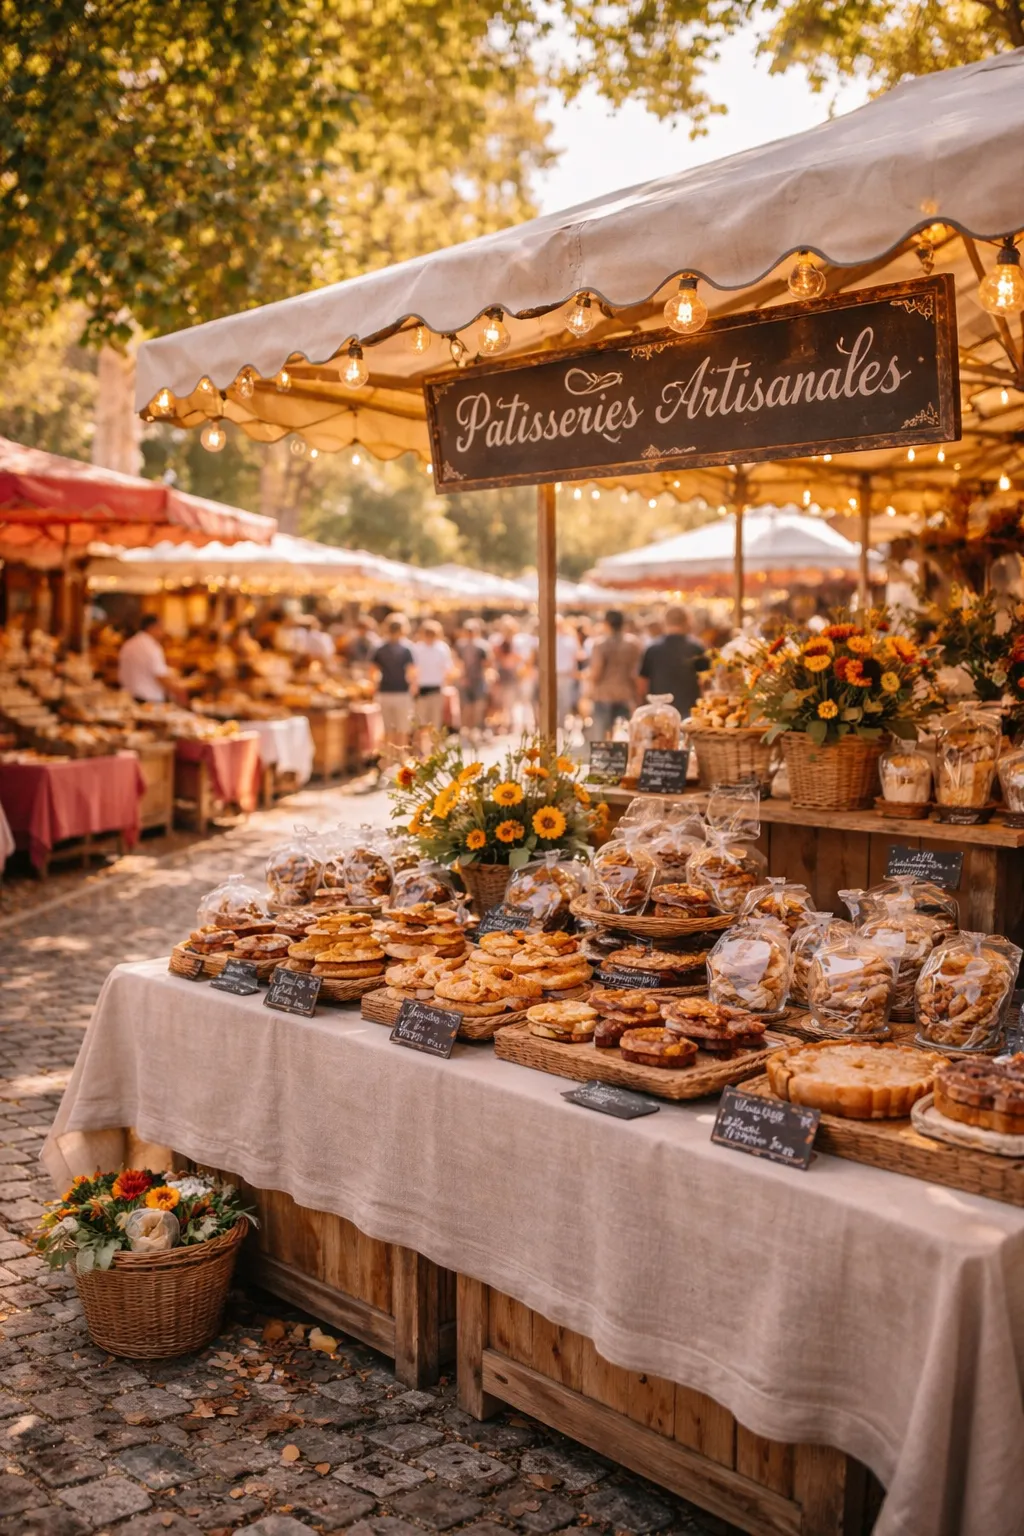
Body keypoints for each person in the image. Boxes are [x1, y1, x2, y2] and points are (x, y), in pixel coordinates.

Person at [637, 605, 708, 717]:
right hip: (690, 710)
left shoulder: (652, 648)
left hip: (659, 711)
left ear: (665, 621)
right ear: (687, 621)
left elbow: (642, 682)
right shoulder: (696, 648)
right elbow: (705, 682)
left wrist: (643, 703)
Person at [587, 610, 641, 739]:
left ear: (606, 623)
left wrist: (589, 689)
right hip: (626, 693)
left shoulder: (600, 644)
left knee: (602, 737)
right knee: (630, 736)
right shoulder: (633, 644)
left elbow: (596, 671)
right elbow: (636, 671)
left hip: (604, 693)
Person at [372, 614, 417, 756]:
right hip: (402, 692)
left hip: (385, 692)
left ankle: (389, 759)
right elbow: (412, 672)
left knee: (388, 729)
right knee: (402, 729)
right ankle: (401, 758)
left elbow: (372, 671)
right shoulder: (407, 649)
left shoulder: (379, 648)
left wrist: (375, 687)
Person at [117, 615, 186, 705]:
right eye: (161, 627)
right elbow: (161, 676)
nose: (163, 632)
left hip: (129, 698)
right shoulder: (152, 647)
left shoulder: (128, 644)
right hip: (149, 700)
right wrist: (180, 688)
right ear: (152, 627)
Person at [411, 619, 455, 742]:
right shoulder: (417, 649)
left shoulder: (441, 648)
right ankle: (421, 752)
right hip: (421, 689)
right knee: (421, 724)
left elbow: (447, 669)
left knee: (434, 723)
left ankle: (432, 751)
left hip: (436, 689)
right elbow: (413, 670)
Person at [455, 619, 491, 741]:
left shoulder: (482, 646)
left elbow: (487, 663)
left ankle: (476, 729)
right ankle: (467, 730)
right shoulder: (461, 645)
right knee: (466, 707)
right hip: (466, 680)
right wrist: (462, 676)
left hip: (478, 679)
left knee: (478, 706)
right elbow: (458, 662)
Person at [555, 617, 581, 733]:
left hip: (565, 674)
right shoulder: (550, 639)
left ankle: (560, 723)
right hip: (557, 674)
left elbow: (576, 656)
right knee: (559, 701)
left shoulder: (569, 640)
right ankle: (558, 723)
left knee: (565, 701)